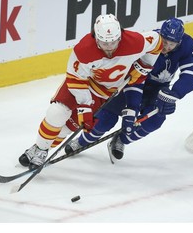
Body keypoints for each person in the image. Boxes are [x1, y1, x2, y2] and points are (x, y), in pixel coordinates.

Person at [18, 14, 163, 169]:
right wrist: (85, 106)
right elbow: (75, 79)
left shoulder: (134, 42)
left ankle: (40, 148)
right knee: (57, 112)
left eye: (114, 42)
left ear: (120, 35)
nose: (109, 47)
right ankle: (41, 149)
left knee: (70, 127)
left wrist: (144, 67)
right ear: (96, 37)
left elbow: (157, 42)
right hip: (81, 85)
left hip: (103, 93)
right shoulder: (83, 50)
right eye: (104, 43)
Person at [64, 17, 193, 161]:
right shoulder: (148, 42)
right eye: (164, 41)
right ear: (159, 34)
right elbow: (135, 78)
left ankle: (121, 140)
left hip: (157, 90)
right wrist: (132, 107)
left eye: (171, 44)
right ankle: (82, 142)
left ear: (179, 42)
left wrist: (174, 94)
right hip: (130, 84)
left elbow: (192, 75)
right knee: (105, 120)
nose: (166, 47)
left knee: (154, 120)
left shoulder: (186, 45)